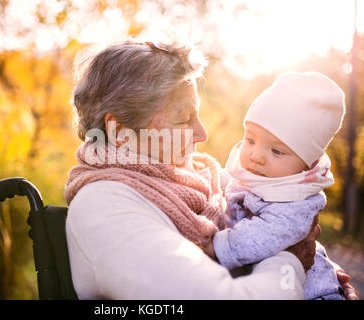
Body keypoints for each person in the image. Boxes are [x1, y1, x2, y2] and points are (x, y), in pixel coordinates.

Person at [64, 40, 356, 299]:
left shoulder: (197, 181)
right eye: (184, 119)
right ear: (119, 132)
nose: (202, 134)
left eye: (198, 115)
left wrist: (322, 275)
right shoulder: (106, 210)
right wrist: (292, 262)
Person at [211, 71, 359, 300]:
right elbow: (223, 182)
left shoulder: (296, 201)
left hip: (314, 294)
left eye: (277, 151)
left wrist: (217, 247)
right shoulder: (254, 174)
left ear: (306, 164)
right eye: (250, 140)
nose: (257, 156)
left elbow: (266, 234)